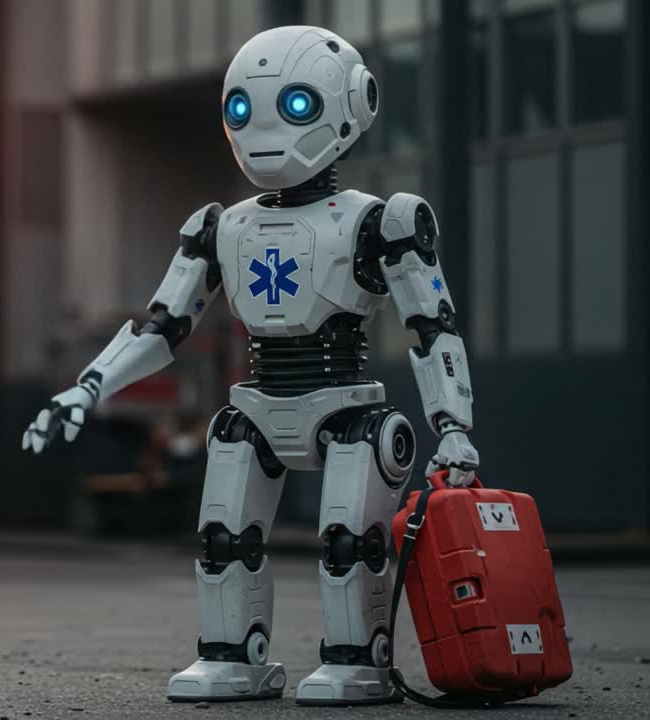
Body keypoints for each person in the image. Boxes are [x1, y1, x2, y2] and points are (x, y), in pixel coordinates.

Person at [24, 26, 479, 705]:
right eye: (243, 110)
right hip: (258, 406)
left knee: (350, 541)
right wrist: (87, 388)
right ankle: (233, 656)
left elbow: (431, 328)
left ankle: (360, 659)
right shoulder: (221, 226)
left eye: (295, 107)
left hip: (348, 407)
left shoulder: (377, 222)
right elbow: (162, 325)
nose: (263, 129)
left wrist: (454, 426)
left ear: (349, 105)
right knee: (222, 538)